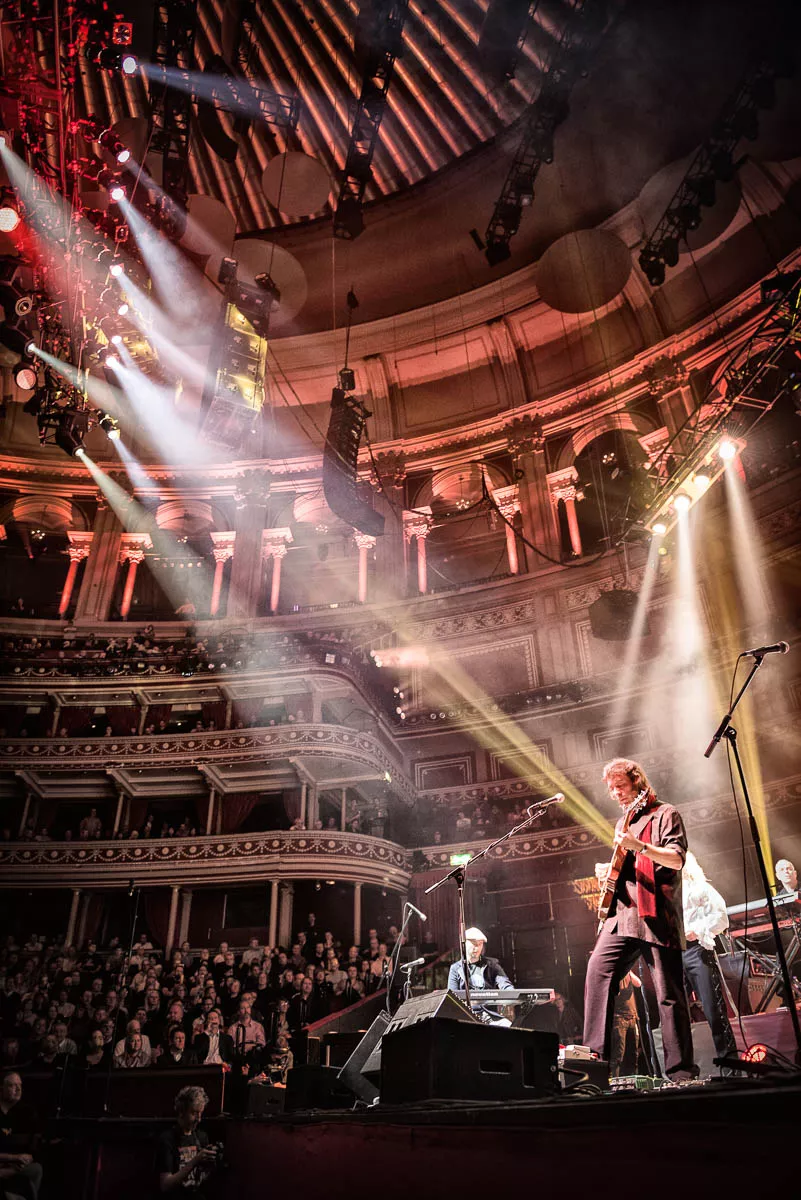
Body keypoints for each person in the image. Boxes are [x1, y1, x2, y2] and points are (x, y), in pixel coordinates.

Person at [583, 757, 696, 1081]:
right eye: (611, 789)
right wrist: (611, 872)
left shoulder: (666, 813)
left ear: (638, 782)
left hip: (656, 913)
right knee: (597, 973)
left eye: (620, 786)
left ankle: (681, 1072)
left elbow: (676, 860)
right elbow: (628, 866)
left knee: (668, 992)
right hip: (624, 914)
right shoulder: (623, 822)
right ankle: (594, 1065)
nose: (615, 793)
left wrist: (640, 847)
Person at [681, 850, 737, 1064]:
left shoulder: (702, 887)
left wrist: (697, 930)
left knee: (713, 1009)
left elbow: (721, 918)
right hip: (674, 953)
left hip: (697, 950)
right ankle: (683, 1069)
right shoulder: (667, 892)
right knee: (674, 1014)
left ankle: (729, 1063)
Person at [156, 1085, 217, 1196]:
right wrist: (195, 1160)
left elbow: (205, 1178)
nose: (199, 1119)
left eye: (201, 1113)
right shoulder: (167, 1139)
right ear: (181, 1112)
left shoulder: (201, 1137)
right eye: (194, 1113)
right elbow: (165, 1185)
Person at [447, 927, 514, 1025]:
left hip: (489, 1017)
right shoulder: (455, 969)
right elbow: (451, 998)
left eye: (480, 944)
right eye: (473, 944)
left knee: (507, 1025)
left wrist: (511, 994)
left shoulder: (492, 965)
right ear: (464, 944)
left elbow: (506, 985)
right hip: (466, 1017)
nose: (477, 948)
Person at [0, 1071, 42, 1200]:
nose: (18, 1089)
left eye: (20, 1085)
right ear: (1, 1088)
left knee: (35, 1169)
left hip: (13, 1164)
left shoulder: (25, 1112)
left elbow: (32, 1145)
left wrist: (26, 1158)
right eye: (12, 1085)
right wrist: (13, 1157)